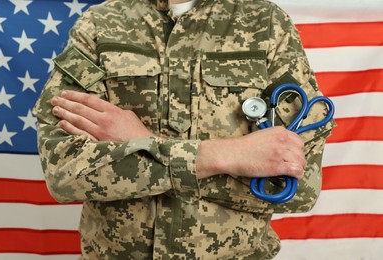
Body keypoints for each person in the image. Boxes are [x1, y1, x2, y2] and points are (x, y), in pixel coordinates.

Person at [33, 0, 335, 258]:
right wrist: (223, 156)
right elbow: (65, 171)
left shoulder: (266, 24)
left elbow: (300, 189)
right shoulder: (101, 25)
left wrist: (144, 142)